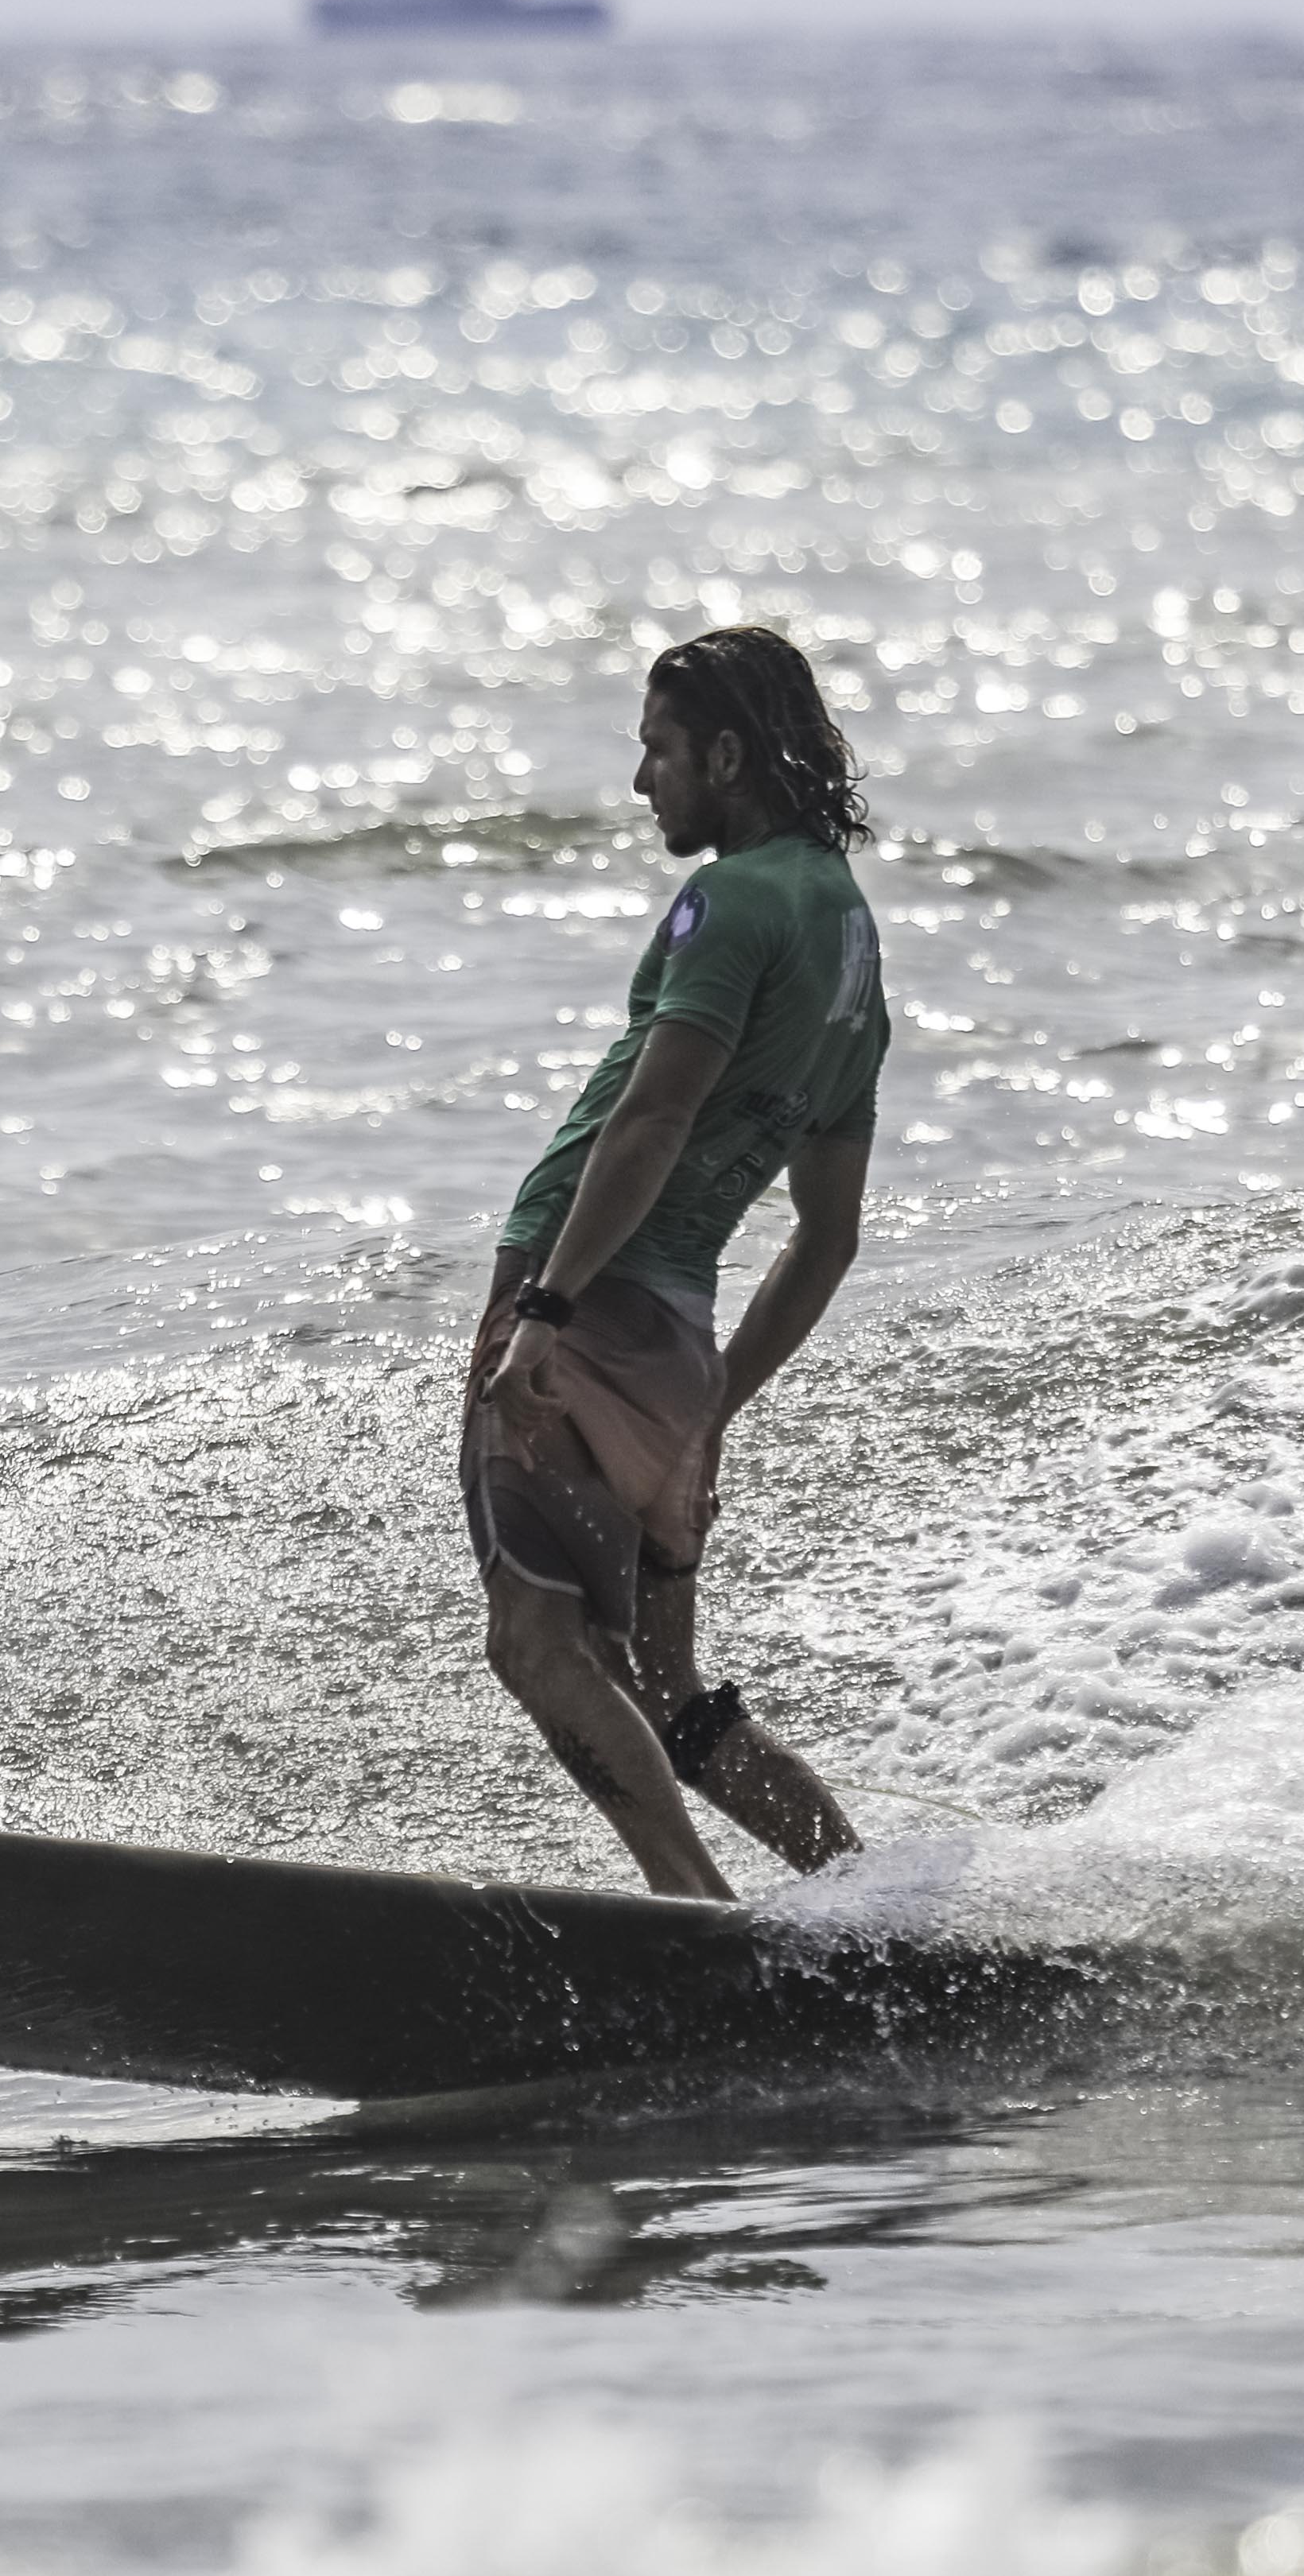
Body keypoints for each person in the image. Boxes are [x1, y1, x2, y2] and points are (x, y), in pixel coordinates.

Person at [464, 624, 887, 1899]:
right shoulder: (856, 953)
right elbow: (827, 1233)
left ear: (724, 750)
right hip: (676, 1341)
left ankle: (689, 1909)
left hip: (579, 1299)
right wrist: (714, 1398)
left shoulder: (735, 895)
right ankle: (874, 1908)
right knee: (663, 1680)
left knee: (537, 1642)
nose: (642, 781)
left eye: (656, 749)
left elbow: (652, 1117)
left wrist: (545, 1304)